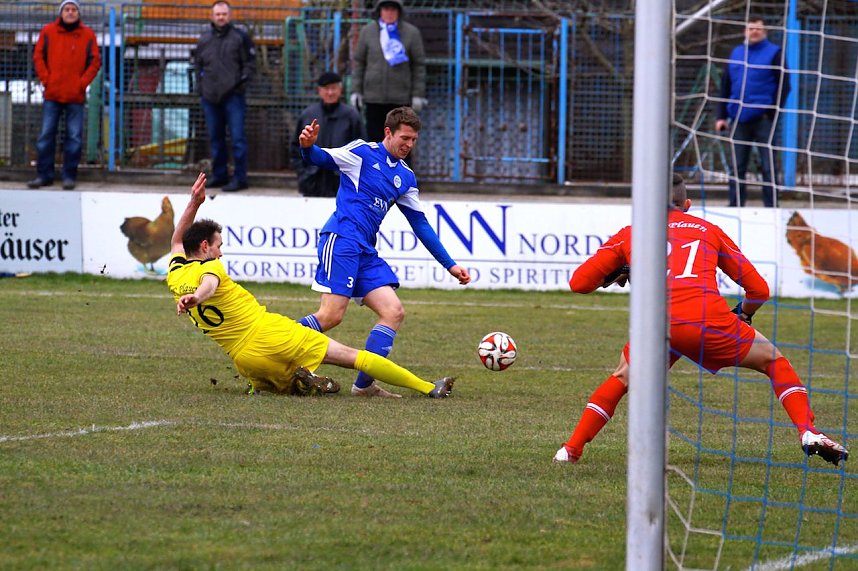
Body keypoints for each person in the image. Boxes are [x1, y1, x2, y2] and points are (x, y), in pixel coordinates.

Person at [553, 174, 848, 467]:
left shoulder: (632, 232)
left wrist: (620, 267)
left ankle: (570, 451)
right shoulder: (709, 230)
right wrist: (744, 313)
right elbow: (760, 290)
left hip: (658, 326)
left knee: (622, 377)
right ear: (688, 204)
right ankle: (808, 432)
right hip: (709, 321)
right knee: (773, 361)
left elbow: (579, 283)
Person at [166, 172, 454, 399]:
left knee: (285, 384)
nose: (221, 252)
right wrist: (197, 297)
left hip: (245, 361)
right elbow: (209, 285)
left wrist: (194, 203)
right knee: (353, 357)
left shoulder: (175, 273)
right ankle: (427, 387)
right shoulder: (210, 268)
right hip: (271, 335)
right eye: (218, 246)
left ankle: (293, 385)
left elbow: (177, 240)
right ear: (205, 246)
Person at [296, 106, 471, 398]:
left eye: (414, 140)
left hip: (365, 250)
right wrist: (307, 146)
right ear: (388, 133)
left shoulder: (406, 177)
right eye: (405, 138)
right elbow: (321, 158)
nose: (409, 145)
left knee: (393, 311)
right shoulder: (362, 153)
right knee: (332, 315)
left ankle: (363, 386)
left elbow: (421, 225)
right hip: (341, 239)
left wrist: (450, 265)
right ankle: (273, 346)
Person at [715, 16, 789, 208]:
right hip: (739, 118)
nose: (754, 31)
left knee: (768, 165)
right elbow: (725, 85)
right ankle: (736, 204)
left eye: (758, 28)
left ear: (764, 32)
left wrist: (772, 112)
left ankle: (771, 205)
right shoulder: (736, 53)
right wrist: (721, 116)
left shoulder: (775, 53)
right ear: (745, 31)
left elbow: (785, 85)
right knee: (737, 165)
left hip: (763, 118)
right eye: (750, 28)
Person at [28, 0, 101, 191]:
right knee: (46, 135)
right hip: (52, 94)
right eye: (67, 9)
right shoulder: (48, 32)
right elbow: (38, 56)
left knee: (74, 138)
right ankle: (44, 175)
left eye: (73, 9)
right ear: (61, 13)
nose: (70, 12)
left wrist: (81, 83)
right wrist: (47, 80)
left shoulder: (88, 35)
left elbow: (95, 62)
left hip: (75, 96)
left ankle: (69, 176)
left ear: (78, 13)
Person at [194, 1, 255, 193]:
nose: (221, 17)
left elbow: (250, 64)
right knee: (215, 138)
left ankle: (240, 178)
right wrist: (201, 89)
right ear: (212, 16)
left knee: (237, 139)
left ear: (230, 15)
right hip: (210, 97)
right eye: (217, 14)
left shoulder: (240, 37)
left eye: (224, 14)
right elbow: (198, 65)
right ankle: (219, 175)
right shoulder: (204, 39)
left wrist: (240, 85)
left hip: (233, 96)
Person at [350, 0, 427, 146]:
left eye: (393, 9)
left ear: (399, 11)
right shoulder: (368, 32)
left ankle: (400, 169)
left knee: (401, 141)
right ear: (380, 11)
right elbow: (359, 62)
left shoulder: (411, 33)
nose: (389, 13)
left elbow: (418, 66)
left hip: (400, 98)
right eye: (386, 9)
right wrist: (356, 90)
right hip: (373, 98)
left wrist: (418, 94)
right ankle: (375, 169)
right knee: (375, 142)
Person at [291, 71, 365, 197]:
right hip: (311, 183)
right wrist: (303, 174)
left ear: (340, 90)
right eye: (326, 89)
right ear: (319, 90)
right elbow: (295, 148)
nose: (330, 93)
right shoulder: (308, 115)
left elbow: (362, 149)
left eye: (334, 88)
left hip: (342, 185)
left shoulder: (351, 116)